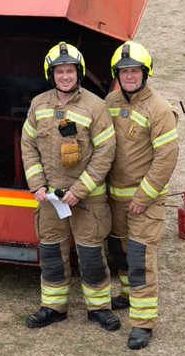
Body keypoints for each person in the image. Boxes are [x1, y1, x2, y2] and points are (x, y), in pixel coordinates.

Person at [20, 42, 119, 332]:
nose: (65, 76)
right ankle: (53, 307)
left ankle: (99, 309)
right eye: (59, 71)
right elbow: (28, 144)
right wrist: (37, 184)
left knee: (90, 255)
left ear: (80, 72)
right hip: (50, 200)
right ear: (51, 74)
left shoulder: (96, 106)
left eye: (70, 71)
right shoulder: (39, 105)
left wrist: (80, 190)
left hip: (88, 200)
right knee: (51, 253)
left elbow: (106, 152)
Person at [104, 42, 179, 351]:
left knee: (139, 258)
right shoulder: (110, 101)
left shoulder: (158, 109)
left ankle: (143, 323)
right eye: (124, 72)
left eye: (134, 71)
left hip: (144, 203)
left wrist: (144, 197)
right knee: (118, 252)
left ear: (145, 73)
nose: (129, 76)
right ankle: (126, 294)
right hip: (113, 199)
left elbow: (166, 157)